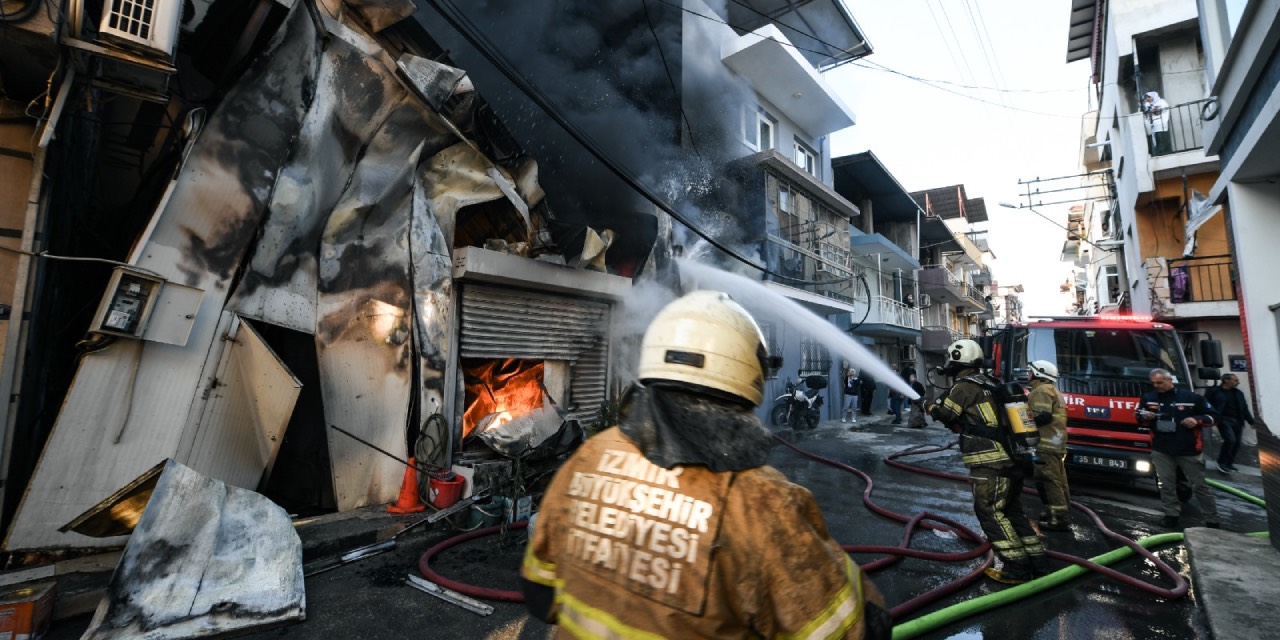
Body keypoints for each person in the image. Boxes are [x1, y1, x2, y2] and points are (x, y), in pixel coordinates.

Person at [520, 290, 891, 639]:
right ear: (748, 370)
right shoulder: (763, 502)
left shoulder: (590, 457)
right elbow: (853, 630)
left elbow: (539, 591)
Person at [928, 340, 1048, 584]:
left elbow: (945, 413)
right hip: (1013, 459)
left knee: (990, 512)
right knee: (1012, 511)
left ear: (957, 360)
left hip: (990, 463)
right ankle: (1038, 561)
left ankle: (1017, 568)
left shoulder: (963, 387)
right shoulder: (992, 383)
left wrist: (928, 405)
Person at [1137, 368, 1220, 529]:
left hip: (1188, 450)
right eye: (1153, 383)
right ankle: (1171, 516)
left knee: (1199, 485)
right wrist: (1145, 416)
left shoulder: (1192, 398)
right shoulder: (1148, 398)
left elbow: (1214, 416)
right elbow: (1138, 417)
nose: (1156, 386)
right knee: (1166, 484)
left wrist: (1197, 420)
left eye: (1160, 382)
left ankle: (1212, 520)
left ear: (1170, 381)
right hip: (1161, 449)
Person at [1026, 360, 1070, 532]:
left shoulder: (1041, 390)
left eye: (1031, 371)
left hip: (1045, 444)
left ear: (1038, 373)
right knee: (1059, 481)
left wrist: (1021, 419)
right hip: (1056, 443)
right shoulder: (1053, 390)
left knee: (1049, 481)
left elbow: (1041, 416)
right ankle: (1058, 512)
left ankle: (1058, 519)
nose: (1028, 374)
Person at [1204, 373, 1256, 473]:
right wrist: (1211, 416)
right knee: (1230, 440)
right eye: (1235, 380)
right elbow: (1205, 403)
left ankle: (1229, 463)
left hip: (1237, 420)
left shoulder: (1238, 393)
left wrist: (1251, 421)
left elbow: (1244, 408)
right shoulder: (1214, 391)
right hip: (1223, 419)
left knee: (1237, 443)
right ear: (1226, 380)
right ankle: (1222, 463)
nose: (1238, 382)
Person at [1142, 91, 1172, 155]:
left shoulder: (1161, 101)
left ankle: (1165, 153)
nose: (1147, 99)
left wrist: (1154, 109)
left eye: (1149, 97)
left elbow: (1160, 110)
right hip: (1153, 127)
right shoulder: (1147, 105)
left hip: (1161, 125)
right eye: (1146, 97)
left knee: (1162, 140)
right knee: (1155, 141)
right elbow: (1146, 114)